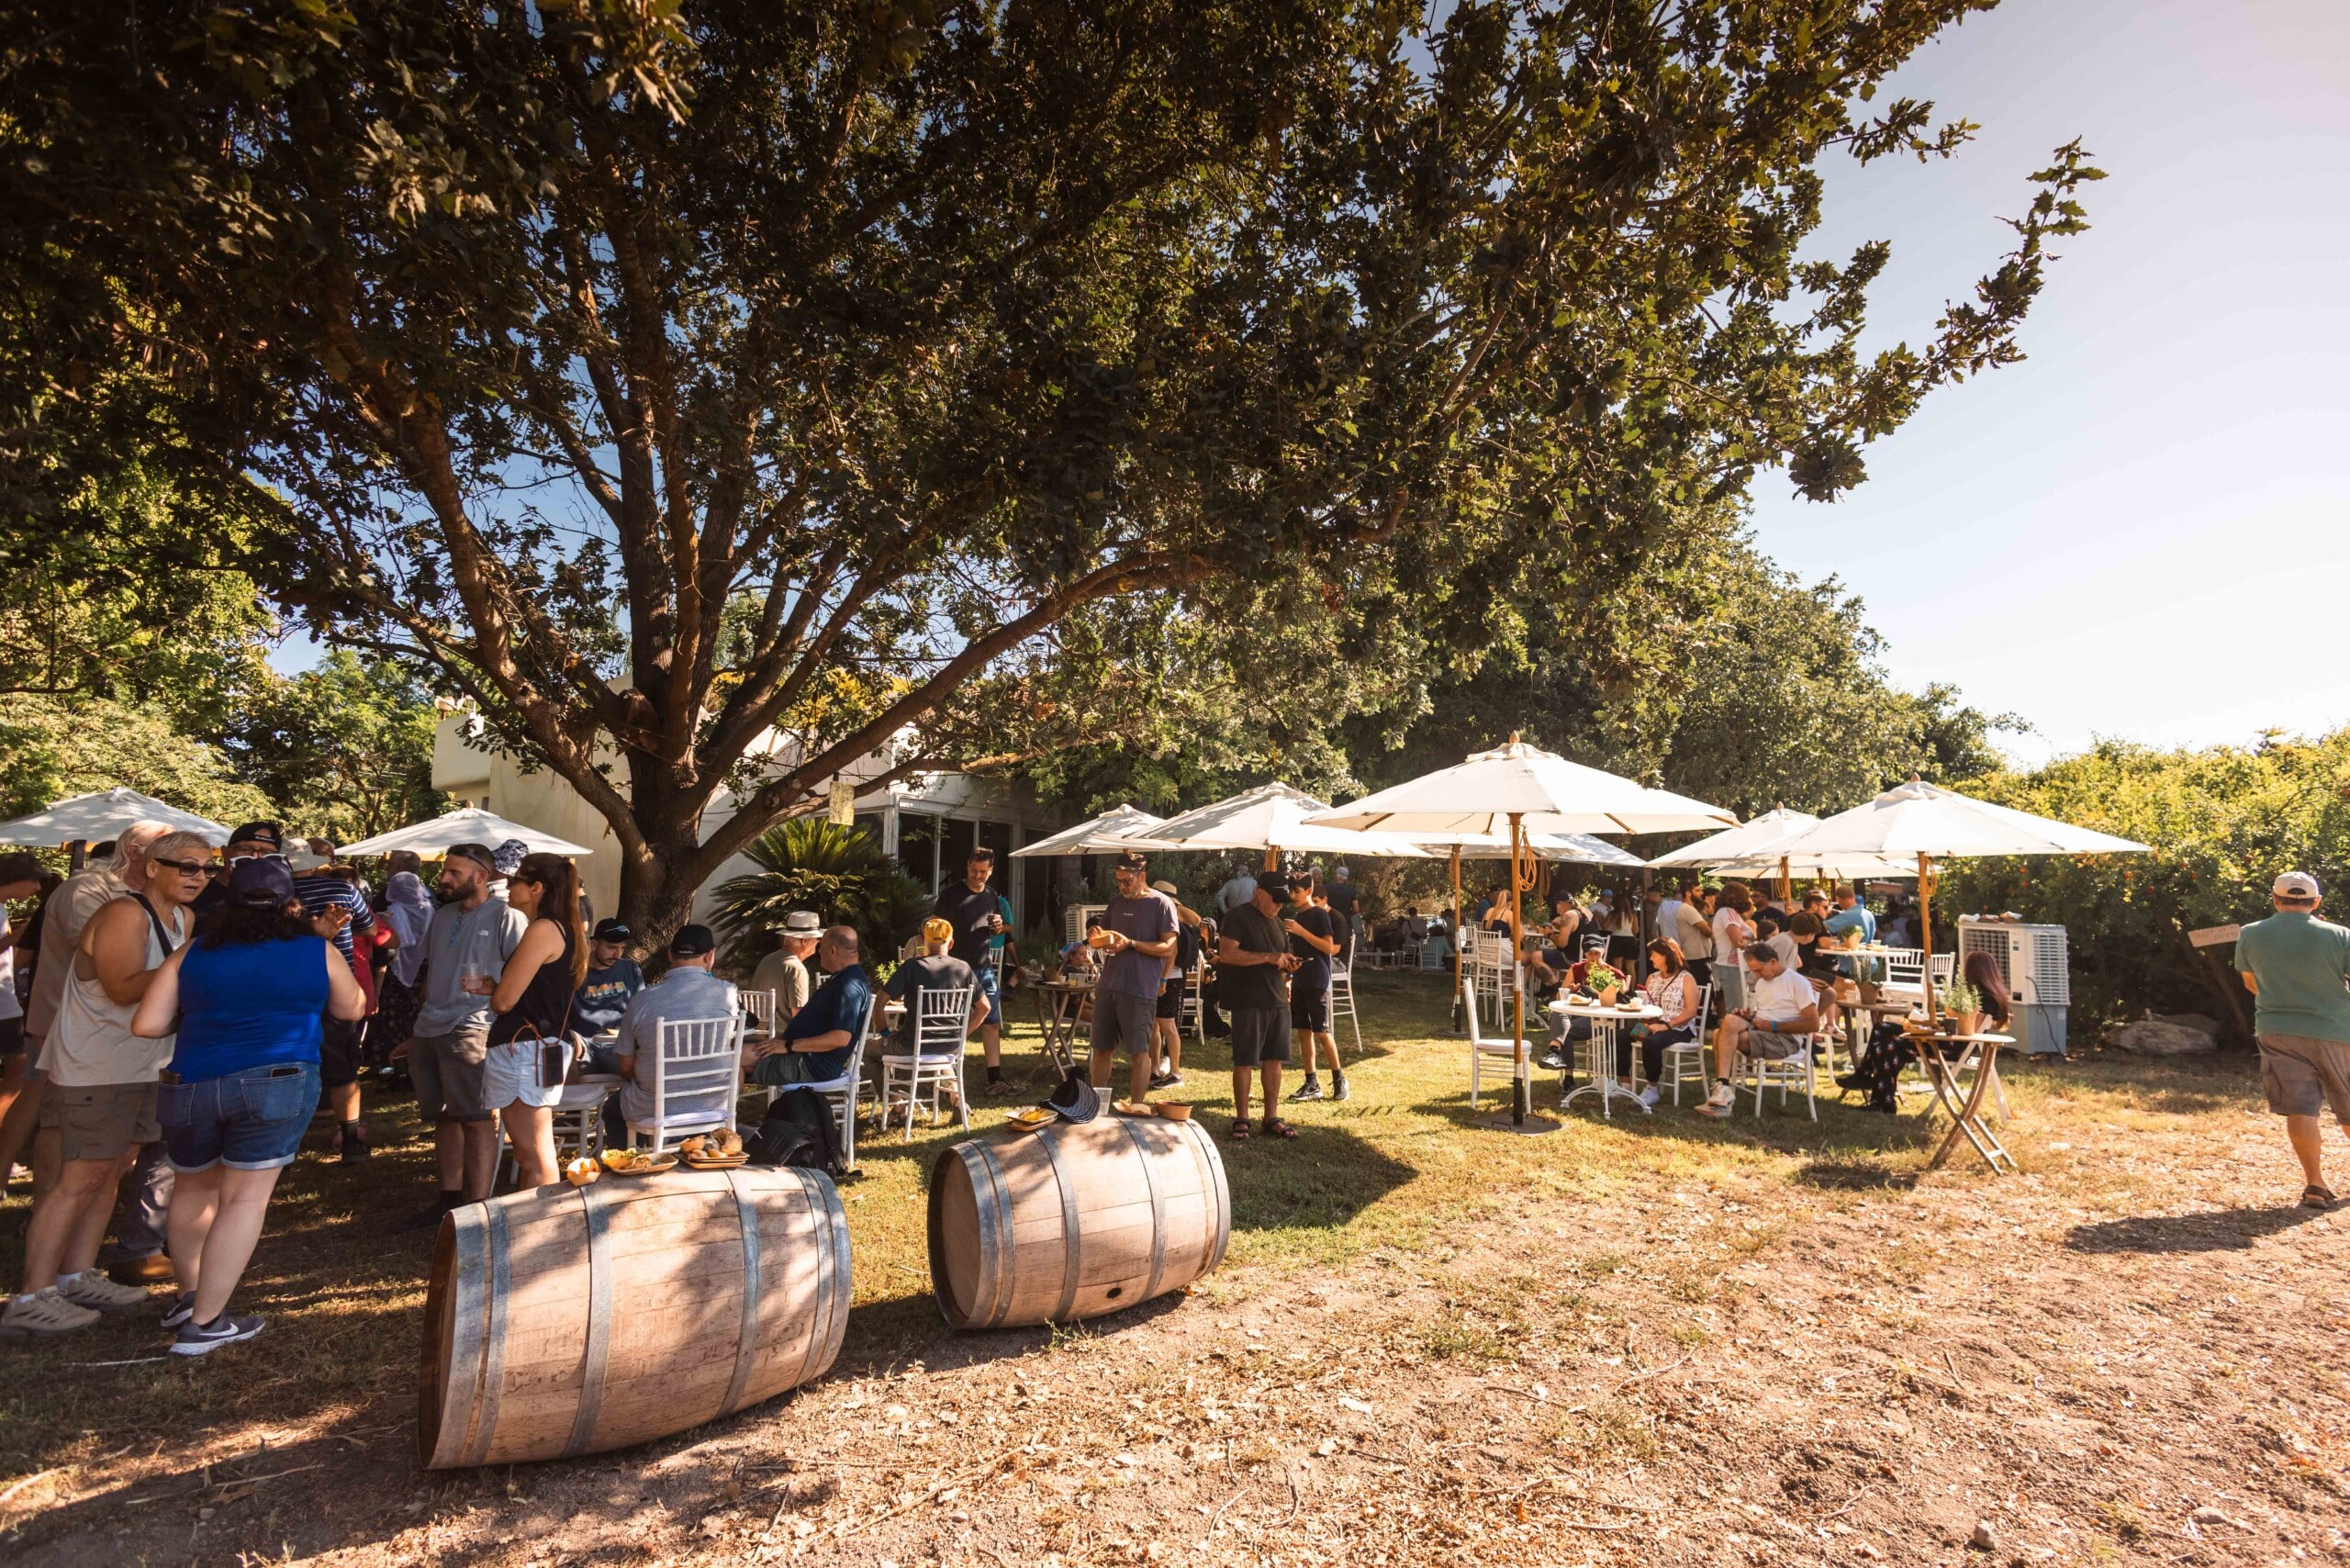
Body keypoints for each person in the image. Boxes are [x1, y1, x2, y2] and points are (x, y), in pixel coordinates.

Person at [0, 830, 205, 1337]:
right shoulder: (124, 913)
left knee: (111, 1171)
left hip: (145, 1063)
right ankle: (31, 1297)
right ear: (151, 866)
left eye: (207, 868)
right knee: (77, 1180)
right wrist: (193, 962)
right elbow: (121, 988)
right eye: (187, 866)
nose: (199, 876)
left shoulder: (182, 918)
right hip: (96, 1066)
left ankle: (75, 1275)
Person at [0, 823, 173, 1203]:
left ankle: (83, 1211)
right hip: (69, 1028)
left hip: (122, 1030)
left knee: (109, 1131)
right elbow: (103, 957)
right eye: (171, 853)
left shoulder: (154, 895)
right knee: (58, 1122)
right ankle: (48, 1208)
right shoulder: (87, 889)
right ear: (136, 852)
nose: (182, 866)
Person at [402, 843, 528, 1226]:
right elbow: (431, 968)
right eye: (445, 871)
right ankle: (449, 1200)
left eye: (453, 873)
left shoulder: (507, 916)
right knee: (444, 1117)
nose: (443, 878)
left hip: (472, 1027)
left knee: (475, 1118)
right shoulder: (442, 915)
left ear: (481, 876)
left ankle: (480, 1209)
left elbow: (525, 977)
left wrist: (497, 995)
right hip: (429, 1026)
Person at [2233, 871, 2350, 1209]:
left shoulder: (2250, 933)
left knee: (2301, 1107)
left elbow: (2251, 983)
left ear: (2275, 899)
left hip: (2277, 1029)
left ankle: (2315, 1184)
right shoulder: (2340, 935)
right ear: (2316, 901)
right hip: (2336, 1030)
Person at [483, 853, 586, 1191]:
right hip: (539, 1046)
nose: (508, 886)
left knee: (533, 1154)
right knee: (533, 1151)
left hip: (526, 1047)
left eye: (515, 880)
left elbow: (504, 1002)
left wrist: (497, 992)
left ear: (536, 888)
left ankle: (543, 1219)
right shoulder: (563, 928)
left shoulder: (543, 929)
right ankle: (541, 1217)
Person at [609, 924, 741, 1145]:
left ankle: (634, 1160)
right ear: (710, 955)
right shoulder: (728, 993)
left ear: (670, 955)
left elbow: (625, 1067)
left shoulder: (642, 1001)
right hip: (715, 1104)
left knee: (612, 1109)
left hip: (656, 1107)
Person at [293, 848, 380, 1162]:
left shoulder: (274, 892)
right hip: (336, 981)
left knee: (287, 1061)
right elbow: (371, 928)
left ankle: (288, 1141)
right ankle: (350, 1138)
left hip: (288, 985)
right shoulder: (341, 888)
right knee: (342, 1064)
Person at [1085, 852, 1179, 1105]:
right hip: (1109, 985)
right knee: (1101, 1049)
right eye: (1118, 881)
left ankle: (1137, 1107)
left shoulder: (1161, 904)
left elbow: (1169, 947)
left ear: (1142, 876)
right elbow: (1103, 936)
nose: (1122, 886)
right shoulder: (1116, 903)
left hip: (1139, 989)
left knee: (1139, 1051)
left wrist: (1132, 944)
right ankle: (1097, 1108)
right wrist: (1095, 934)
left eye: (1127, 881)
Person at [878, 918, 989, 1122]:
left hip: (911, 1044)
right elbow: (984, 1008)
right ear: (951, 943)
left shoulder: (912, 967)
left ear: (923, 942)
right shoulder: (964, 968)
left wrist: (885, 1032)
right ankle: (958, 1100)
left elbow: (880, 1001)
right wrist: (961, 1035)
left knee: (868, 1051)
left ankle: (898, 1106)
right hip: (948, 1044)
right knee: (936, 1053)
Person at [1696, 945, 1819, 1120]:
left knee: (1720, 1035)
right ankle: (1722, 1090)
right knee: (1727, 1023)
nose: (1757, 975)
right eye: (1753, 971)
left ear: (1773, 961)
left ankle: (1722, 1094)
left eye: (1759, 970)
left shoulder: (1797, 983)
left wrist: (1774, 1026)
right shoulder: (1762, 983)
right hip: (1763, 1031)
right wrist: (1750, 1016)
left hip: (1785, 1039)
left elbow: (1813, 1024)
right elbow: (1768, 1012)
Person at [1218, 876, 1300, 1140]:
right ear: (1259, 892)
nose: (1279, 906)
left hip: (1277, 997)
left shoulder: (1277, 923)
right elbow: (1228, 954)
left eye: (1283, 902)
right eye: (1276, 900)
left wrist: (1289, 968)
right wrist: (1269, 957)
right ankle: (1242, 1118)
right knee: (1245, 1060)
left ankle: (1271, 1117)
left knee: (1274, 1059)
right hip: (1248, 998)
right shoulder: (1237, 916)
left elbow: (1280, 958)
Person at [931, 848, 1014, 1095]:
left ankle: (994, 1079)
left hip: (983, 968)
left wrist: (998, 927)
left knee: (992, 1022)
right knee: (950, 1021)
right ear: (967, 866)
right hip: (954, 969)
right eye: (973, 870)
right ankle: (946, 1074)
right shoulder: (951, 894)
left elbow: (997, 929)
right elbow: (934, 925)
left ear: (991, 871)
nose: (977, 876)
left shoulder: (991, 895)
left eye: (982, 872)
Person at [747, 925, 868, 1089]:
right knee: (732, 1052)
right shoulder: (842, 979)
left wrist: (788, 1045)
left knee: (730, 1057)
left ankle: (723, 1106)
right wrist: (781, 1041)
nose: (819, 951)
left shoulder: (849, 985)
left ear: (833, 951)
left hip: (812, 1064)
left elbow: (841, 1038)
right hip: (802, 1055)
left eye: (821, 946)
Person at [0, 854, 44, 1187]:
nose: (37, 887)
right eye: (33, 879)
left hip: (7, 1002)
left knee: (19, 1074)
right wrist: (24, 933)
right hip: (2, 1007)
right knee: (19, 1075)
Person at [1283, 874, 1345, 1103]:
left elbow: (1328, 947)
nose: (1292, 896)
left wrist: (1301, 932)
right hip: (1300, 979)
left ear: (1309, 890)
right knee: (1303, 1031)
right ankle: (1311, 1083)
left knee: (1321, 1031)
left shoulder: (1319, 914)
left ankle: (1339, 1080)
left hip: (1317, 979)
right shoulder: (1296, 917)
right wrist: (1289, 975)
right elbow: (1298, 951)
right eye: (1290, 891)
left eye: (1297, 891)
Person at [1624, 937, 1703, 1109]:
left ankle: (1652, 1088)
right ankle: (1625, 1083)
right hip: (1653, 1024)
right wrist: (1644, 1017)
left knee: (1652, 1042)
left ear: (1667, 955)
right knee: (1621, 1036)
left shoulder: (1686, 978)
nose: (1651, 958)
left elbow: (1691, 1011)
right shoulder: (1652, 978)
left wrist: (1666, 1025)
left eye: (1654, 954)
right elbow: (1647, 1005)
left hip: (1678, 1028)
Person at [374, 860, 434, 1069]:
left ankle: (391, 1063)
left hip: (395, 967)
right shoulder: (431, 909)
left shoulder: (393, 910)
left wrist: (384, 922)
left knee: (393, 1016)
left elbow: (399, 940)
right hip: (423, 967)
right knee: (415, 1015)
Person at [1149, 880, 1200, 1090]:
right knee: (1154, 1025)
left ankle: (1175, 1072)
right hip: (1160, 976)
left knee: (1167, 1025)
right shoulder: (1167, 916)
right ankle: (1154, 1069)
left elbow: (1172, 952)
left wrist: (1162, 979)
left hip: (1168, 978)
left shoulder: (1171, 918)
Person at [569, 917, 644, 1041]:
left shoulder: (630, 968)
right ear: (594, 945)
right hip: (584, 1042)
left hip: (622, 1042)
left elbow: (641, 1009)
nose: (617, 954)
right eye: (612, 948)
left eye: (622, 948)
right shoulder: (574, 972)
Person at [749, 910, 821, 1026]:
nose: (818, 942)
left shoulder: (767, 959)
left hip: (755, 1031)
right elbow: (800, 1018)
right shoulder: (797, 969)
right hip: (781, 1034)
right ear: (805, 941)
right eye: (817, 939)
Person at [1673, 885, 1716, 990]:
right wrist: (1711, 915)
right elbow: (1708, 932)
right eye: (1698, 890)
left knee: (1703, 990)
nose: (1702, 893)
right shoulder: (1687, 909)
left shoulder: (1690, 909)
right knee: (1705, 991)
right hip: (1697, 958)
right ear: (1688, 893)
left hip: (1697, 957)